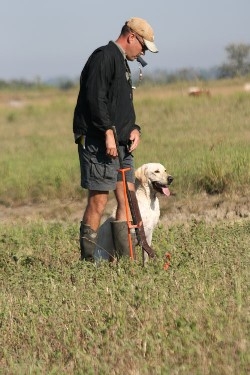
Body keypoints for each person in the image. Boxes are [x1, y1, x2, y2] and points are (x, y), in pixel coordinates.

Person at [73, 17, 158, 261]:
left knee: (127, 198)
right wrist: (108, 133)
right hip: (99, 142)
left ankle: (125, 261)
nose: (142, 52)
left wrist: (134, 129)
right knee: (99, 200)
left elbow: (120, 107)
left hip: (122, 144)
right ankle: (88, 263)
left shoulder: (123, 63)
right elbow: (95, 99)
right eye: (142, 46)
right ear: (131, 36)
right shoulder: (104, 57)